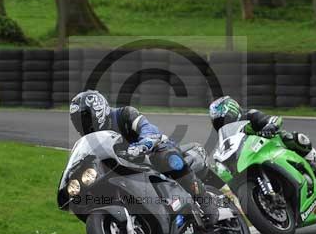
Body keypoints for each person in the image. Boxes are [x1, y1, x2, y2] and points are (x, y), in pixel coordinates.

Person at [70, 90, 220, 225]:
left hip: (153, 151)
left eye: (84, 118)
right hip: (126, 170)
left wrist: (144, 143)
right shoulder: (90, 141)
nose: (82, 124)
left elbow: (147, 127)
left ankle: (204, 199)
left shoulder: (124, 115)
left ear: (98, 110)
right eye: (77, 121)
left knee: (165, 158)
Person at [208, 95, 316, 189]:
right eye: (218, 122)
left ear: (232, 111)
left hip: (271, 146)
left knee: (297, 138)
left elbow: (273, 119)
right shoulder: (225, 139)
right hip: (250, 160)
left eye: (223, 119)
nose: (222, 124)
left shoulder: (250, 115)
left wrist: (270, 126)